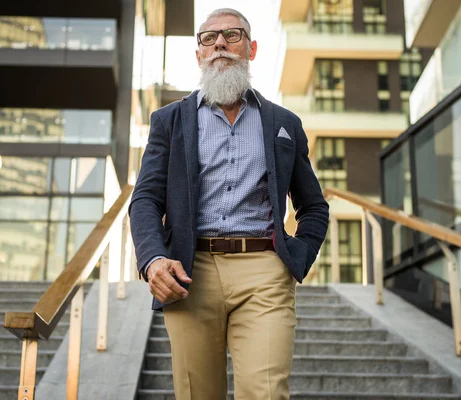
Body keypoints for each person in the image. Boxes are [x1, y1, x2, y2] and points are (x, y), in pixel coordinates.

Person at [129, 8, 329, 399]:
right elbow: (146, 199)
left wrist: (297, 255)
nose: (219, 43)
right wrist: (153, 259)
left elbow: (314, 206)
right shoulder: (168, 121)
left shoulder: (283, 122)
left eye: (232, 35)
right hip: (190, 273)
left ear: (251, 48)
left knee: (267, 392)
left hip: (264, 273)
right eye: (208, 38)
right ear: (199, 54)